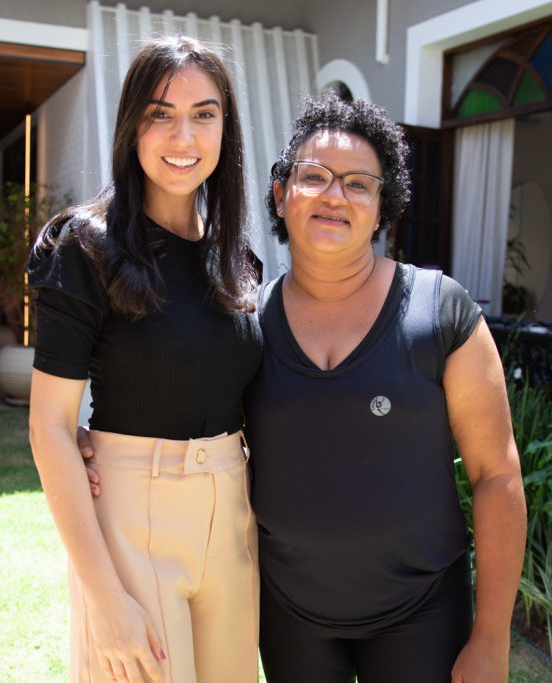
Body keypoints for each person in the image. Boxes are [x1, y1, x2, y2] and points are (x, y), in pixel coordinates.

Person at [77, 93, 528, 682]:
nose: (334, 196)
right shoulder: (246, 323)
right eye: (314, 176)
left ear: (382, 205)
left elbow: (498, 477)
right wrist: (95, 444)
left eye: (359, 184)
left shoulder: (438, 312)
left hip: (421, 614)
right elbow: (191, 413)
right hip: (290, 616)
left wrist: (491, 638)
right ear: (281, 194)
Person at [27, 37, 261, 683]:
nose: (183, 135)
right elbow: (49, 424)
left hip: (232, 520)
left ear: (226, 128)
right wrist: (105, 600)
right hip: (135, 519)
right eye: (161, 113)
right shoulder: (85, 246)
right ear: (133, 124)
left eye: (204, 113)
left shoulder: (236, 261)